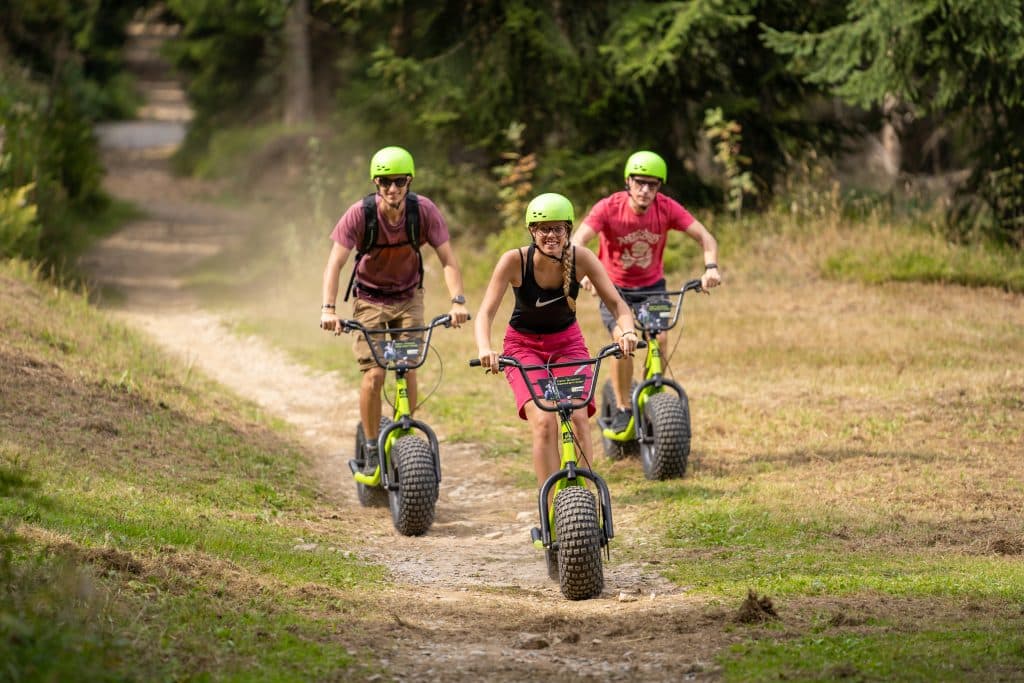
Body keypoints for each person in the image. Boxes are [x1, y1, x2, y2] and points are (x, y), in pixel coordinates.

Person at [475, 192, 638, 496]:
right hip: (523, 347)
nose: (550, 235)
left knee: (578, 417)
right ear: (532, 231)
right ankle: (549, 508)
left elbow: (618, 304)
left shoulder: (581, 258)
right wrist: (485, 348)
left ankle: (584, 500)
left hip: (567, 345)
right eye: (543, 228)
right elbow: (485, 313)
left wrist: (626, 331)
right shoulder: (514, 261)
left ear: (568, 230)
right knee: (544, 421)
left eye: (557, 228)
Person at [320, 145, 470, 472]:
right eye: (385, 182)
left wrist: (458, 300)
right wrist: (329, 309)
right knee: (374, 375)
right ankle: (373, 445)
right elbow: (335, 263)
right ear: (376, 183)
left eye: (399, 181)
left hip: (408, 296)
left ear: (409, 182)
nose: (393, 189)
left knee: (407, 363)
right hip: (370, 298)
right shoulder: (360, 214)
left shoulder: (423, 211)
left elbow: (448, 260)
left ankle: (405, 432)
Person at [571, 150, 722, 434]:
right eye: (639, 183)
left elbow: (706, 237)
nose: (645, 190)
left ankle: (650, 394)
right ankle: (623, 407)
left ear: (659, 187)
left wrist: (710, 267)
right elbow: (578, 241)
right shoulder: (608, 208)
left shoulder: (665, 208)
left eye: (652, 184)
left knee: (661, 338)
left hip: (652, 289)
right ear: (628, 181)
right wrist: (585, 276)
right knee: (624, 342)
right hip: (614, 290)